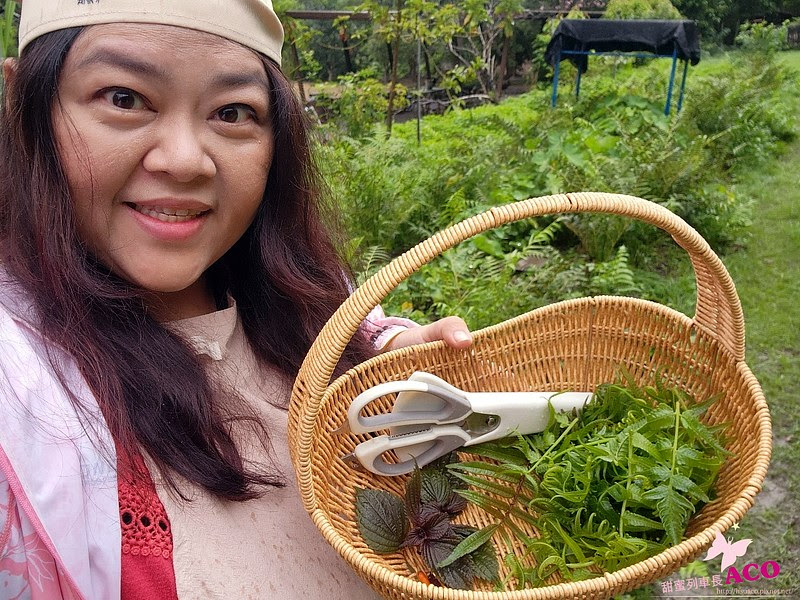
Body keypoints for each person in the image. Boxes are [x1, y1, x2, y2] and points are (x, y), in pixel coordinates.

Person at [0, 2, 474, 598]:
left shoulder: (295, 293)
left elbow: (354, 324)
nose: (183, 160)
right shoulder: (18, 397)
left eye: (232, 112)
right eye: (123, 98)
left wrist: (382, 354)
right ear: (27, 106)